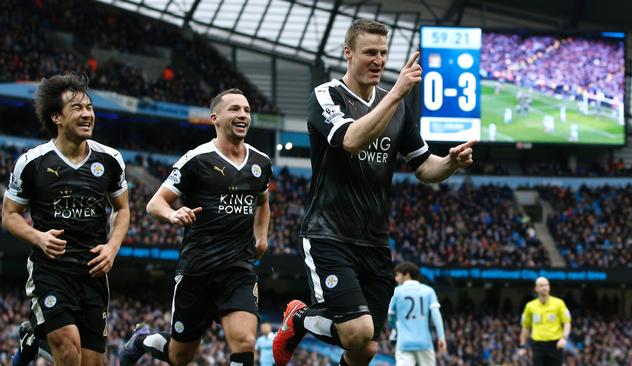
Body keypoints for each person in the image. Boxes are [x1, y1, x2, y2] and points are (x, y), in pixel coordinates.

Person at [273, 19, 475, 366]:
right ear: (348, 53)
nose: (378, 60)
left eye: (383, 53)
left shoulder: (398, 109)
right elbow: (350, 140)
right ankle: (300, 318)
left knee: (365, 348)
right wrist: (397, 93)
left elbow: (425, 167)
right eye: (370, 52)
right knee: (355, 332)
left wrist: (451, 163)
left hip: (375, 242)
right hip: (329, 234)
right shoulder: (326, 96)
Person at [119, 88, 272, 366]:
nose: (243, 115)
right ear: (215, 118)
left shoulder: (261, 163)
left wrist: (261, 237)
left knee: (245, 342)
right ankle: (143, 339)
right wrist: (174, 215)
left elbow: (263, 202)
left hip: (239, 269)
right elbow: (155, 204)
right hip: (197, 271)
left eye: (247, 110)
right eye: (235, 109)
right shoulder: (197, 159)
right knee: (180, 357)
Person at [3, 73, 130, 366]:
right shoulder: (32, 162)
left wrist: (112, 248)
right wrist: (39, 237)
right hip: (51, 270)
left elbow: (122, 209)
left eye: (89, 107)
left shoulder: (110, 159)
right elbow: (9, 215)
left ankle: (35, 340)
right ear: (56, 117)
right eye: (77, 108)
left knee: (91, 362)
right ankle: (45, 338)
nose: (87, 114)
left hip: (93, 272)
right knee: (69, 349)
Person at [388, 262, 446, 366]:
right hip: (425, 343)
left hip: (404, 344)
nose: (396, 279)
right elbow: (436, 315)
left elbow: (390, 317)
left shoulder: (396, 292)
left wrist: (396, 328)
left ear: (407, 274)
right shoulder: (429, 291)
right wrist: (441, 338)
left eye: (397, 275)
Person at [518, 277, 572, 366]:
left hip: (555, 344)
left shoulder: (559, 303)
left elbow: (567, 322)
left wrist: (564, 338)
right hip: (538, 345)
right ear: (536, 288)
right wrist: (522, 345)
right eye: (541, 285)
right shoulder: (530, 306)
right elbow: (525, 327)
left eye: (547, 285)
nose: (544, 288)